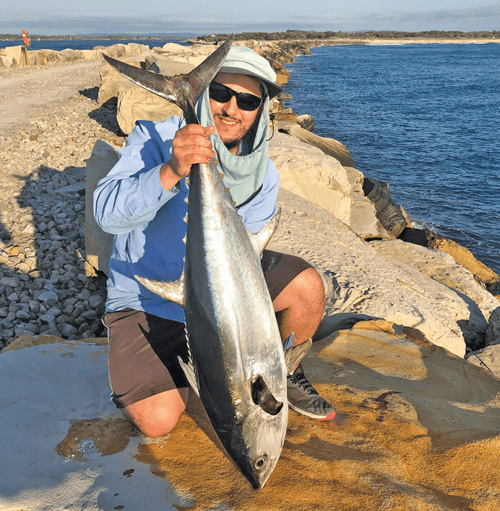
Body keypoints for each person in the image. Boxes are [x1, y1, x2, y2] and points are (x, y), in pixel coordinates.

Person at [94, 46, 335, 438]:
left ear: (261, 110)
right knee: (157, 421)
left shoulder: (262, 173)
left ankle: (284, 368)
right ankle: (127, 356)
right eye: (220, 93)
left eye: (247, 100)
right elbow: (106, 214)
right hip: (150, 296)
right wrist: (172, 170)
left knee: (306, 286)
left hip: (225, 292)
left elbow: (249, 254)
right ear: (204, 96)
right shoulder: (154, 139)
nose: (230, 108)